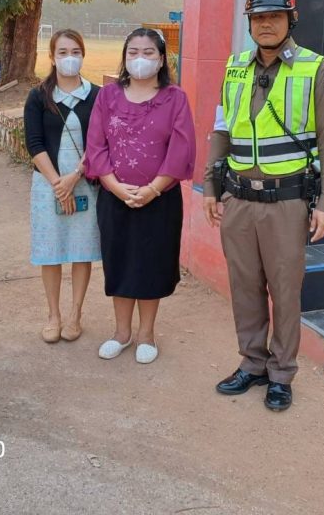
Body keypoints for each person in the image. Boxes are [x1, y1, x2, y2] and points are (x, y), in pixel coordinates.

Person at [203, 0, 324, 412]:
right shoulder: (235, 67)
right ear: (250, 23)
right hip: (239, 200)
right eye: (259, 18)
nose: (266, 24)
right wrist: (211, 185)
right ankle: (252, 363)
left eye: (275, 16)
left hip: (287, 203)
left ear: (290, 19)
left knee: (284, 291)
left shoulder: (315, 68)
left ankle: (282, 373)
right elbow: (222, 128)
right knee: (244, 287)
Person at [85, 28, 196, 365]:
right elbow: (96, 145)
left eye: (148, 53)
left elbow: (181, 149)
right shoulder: (108, 96)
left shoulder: (175, 98)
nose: (140, 59)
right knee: (118, 262)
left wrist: (152, 189)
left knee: (151, 265)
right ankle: (121, 333)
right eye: (133, 52)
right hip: (114, 198)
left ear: (161, 59)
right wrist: (115, 187)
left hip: (159, 200)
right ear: (124, 57)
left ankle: (146, 334)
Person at [24, 29, 101, 343]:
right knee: (51, 252)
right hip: (48, 184)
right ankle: (53, 315)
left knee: (82, 251)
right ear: (52, 57)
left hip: (84, 182)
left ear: (83, 55)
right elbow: (34, 143)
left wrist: (74, 178)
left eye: (75, 52)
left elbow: (99, 143)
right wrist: (59, 185)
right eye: (63, 52)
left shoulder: (97, 96)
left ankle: (75, 314)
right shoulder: (38, 96)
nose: (70, 58)